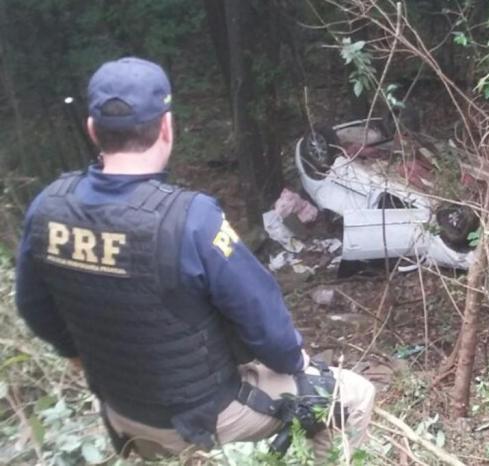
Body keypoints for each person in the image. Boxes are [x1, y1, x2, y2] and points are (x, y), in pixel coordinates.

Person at [14, 57, 375, 461]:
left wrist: (88, 363)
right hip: (199, 414)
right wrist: (295, 361)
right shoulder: (190, 220)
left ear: (93, 130)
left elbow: (32, 308)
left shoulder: (48, 207)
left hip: (120, 410)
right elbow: (263, 319)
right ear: (167, 127)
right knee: (355, 397)